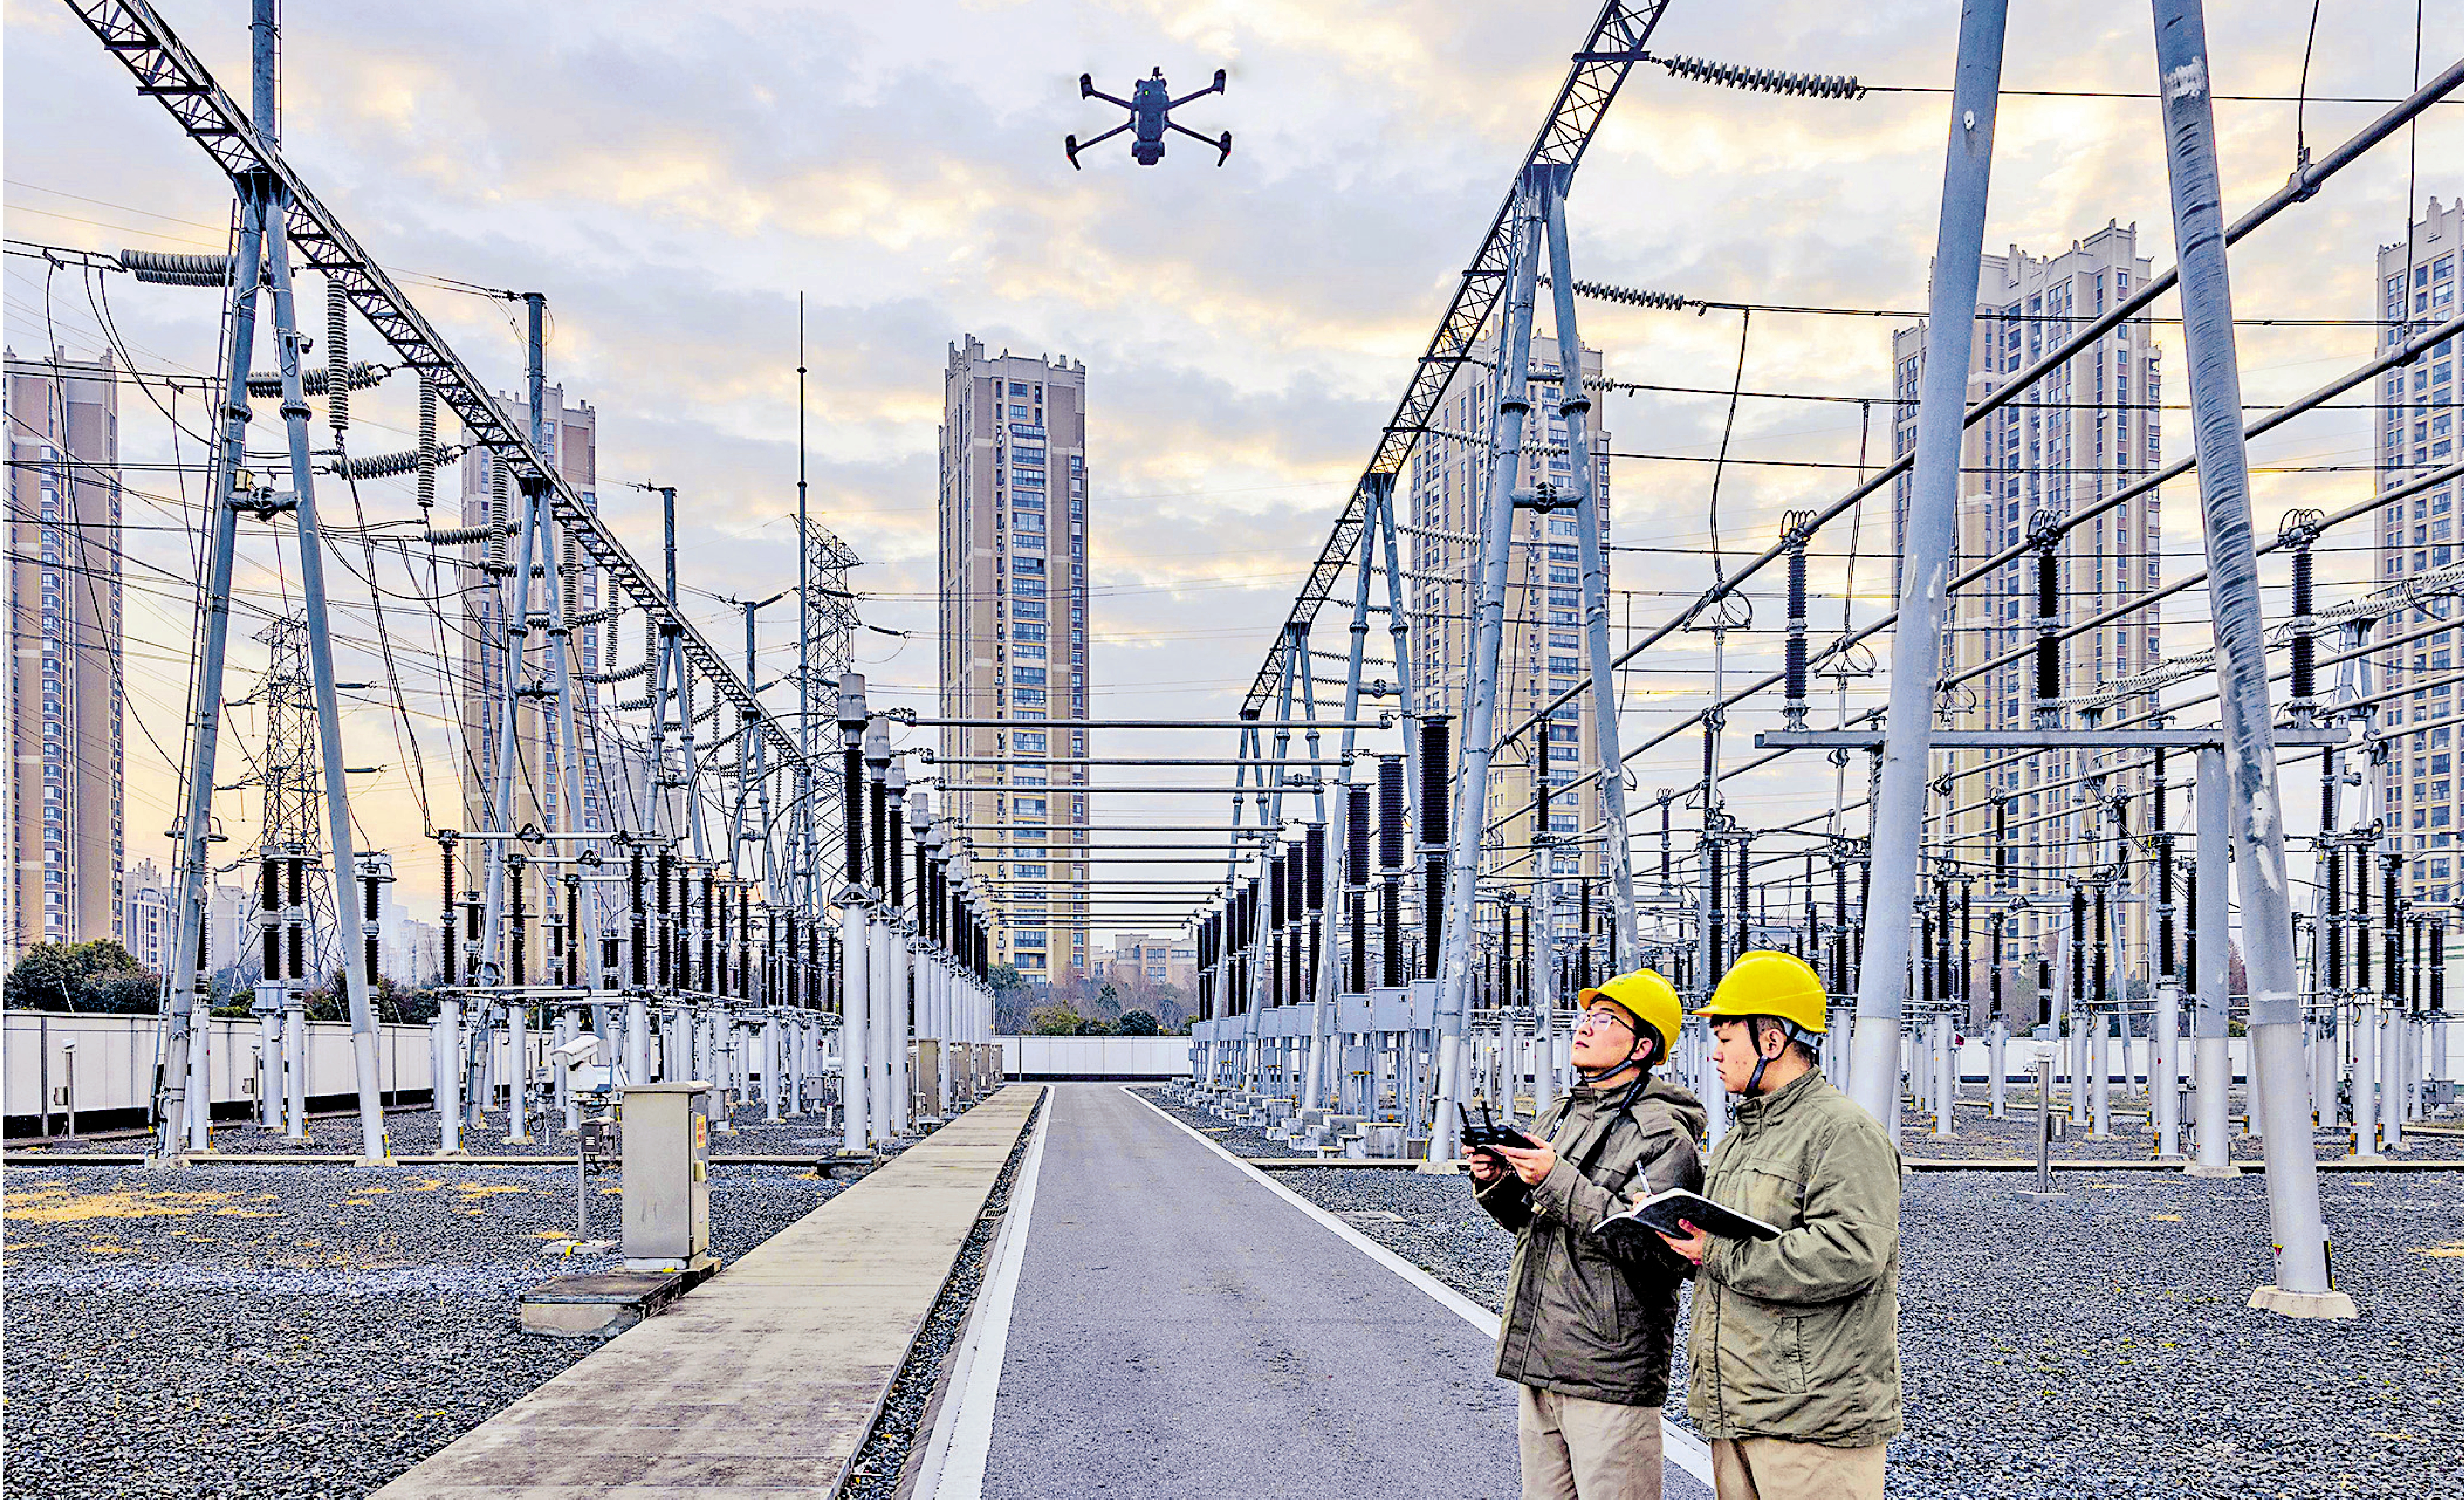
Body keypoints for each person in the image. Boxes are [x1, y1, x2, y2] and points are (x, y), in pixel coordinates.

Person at [1655, 950, 1902, 1500]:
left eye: (1725, 1038)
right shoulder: (1745, 1135)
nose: (1714, 1054)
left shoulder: (1842, 1133)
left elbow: (1849, 1254)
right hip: (1743, 1410)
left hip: (1813, 1426)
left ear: (1772, 1040)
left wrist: (1713, 1254)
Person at [1467, 968, 1706, 1500]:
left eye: (1604, 1019)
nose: (1584, 1027)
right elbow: (1537, 1223)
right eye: (1585, 1016)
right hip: (1543, 1357)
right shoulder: (1562, 1114)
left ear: (1643, 1046)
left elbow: (1662, 1251)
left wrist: (1555, 1178)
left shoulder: (1663, 1135)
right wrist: (1499, 1183)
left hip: (1607, 1371)